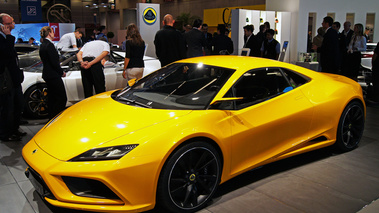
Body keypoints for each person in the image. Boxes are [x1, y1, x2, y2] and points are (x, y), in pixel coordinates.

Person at [0, 13, 25, 141]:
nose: (11, 26)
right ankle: (5, 134)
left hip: (14, 80)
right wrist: (9, 37)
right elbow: (6, 54)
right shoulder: (3, 39)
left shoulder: (7, 38)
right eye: (7, 24)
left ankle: (14, 130)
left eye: (11, 23)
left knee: (18, 106)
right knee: (7, 109)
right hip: (6, 81)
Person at [39, 26, 67, 120]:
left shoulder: (43, 44)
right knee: (61, 97)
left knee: (52, 97)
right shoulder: (49, 45)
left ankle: (52, 117)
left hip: (47, 74)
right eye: (53, 32)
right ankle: (57, 118)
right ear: (50, 33)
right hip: (53, 74)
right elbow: (54, 62)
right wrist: (61, 72)